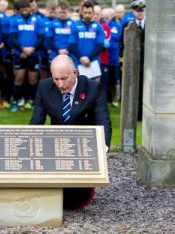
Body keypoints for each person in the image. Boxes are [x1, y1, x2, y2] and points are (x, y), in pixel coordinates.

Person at [30, 54, 111, 210]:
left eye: (64, 78)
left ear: (76, 73)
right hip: (56, 143)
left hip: (83, 146)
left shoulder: (93, 88)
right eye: (56, 79)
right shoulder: (44, 87)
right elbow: (37, 120)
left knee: (77, 199)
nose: (60, 84)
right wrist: (27, 143)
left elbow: (103, 120)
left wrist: (103, 147)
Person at [9, 0, 44, 112]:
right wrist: (23, 49)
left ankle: (31, 101)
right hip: (20, 54)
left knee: (33, 79)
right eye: (22, 8)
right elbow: (13, 38)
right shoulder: (15, 20)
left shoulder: (38, 20)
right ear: (20, 9)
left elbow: (41, 37)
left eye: (26, 8)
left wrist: (31, 49)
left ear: (30, 8)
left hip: (33, 53)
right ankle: (15, 101)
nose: (25, 10)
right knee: (19, 78)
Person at [69, 0, 104, 81]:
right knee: (79, 89)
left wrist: (88, 58)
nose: (87, 15)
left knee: (94, 89)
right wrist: (81, 58)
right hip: (78, 62)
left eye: (89, 12)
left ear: (93, 12)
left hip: (94, 63)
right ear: (82, 12)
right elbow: (71, 45)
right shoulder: (75, 26)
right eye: (85, 12)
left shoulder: (99, 27)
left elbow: (100, 45)